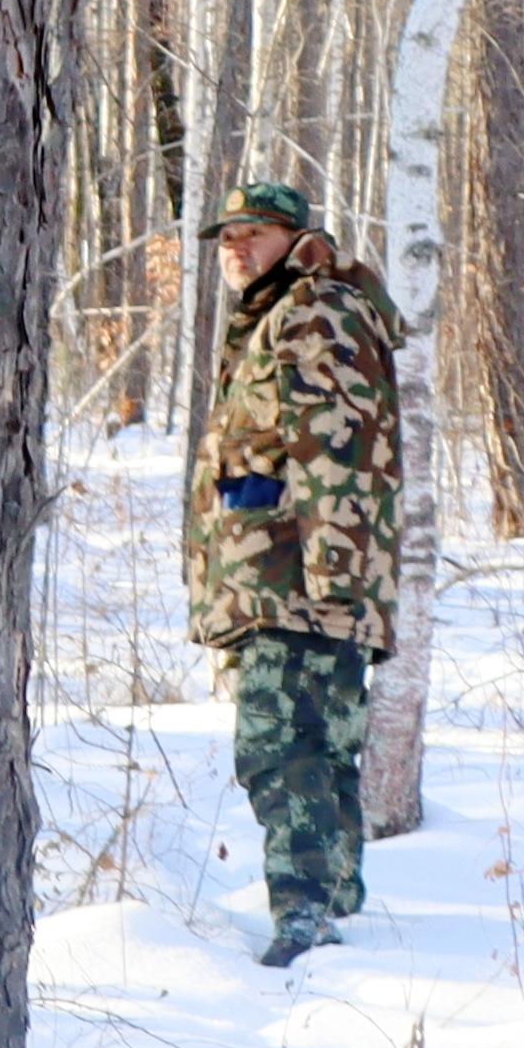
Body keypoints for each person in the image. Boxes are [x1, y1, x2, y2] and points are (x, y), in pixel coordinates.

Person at [188, 171, 406, 961]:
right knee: (318, 744)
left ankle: (305, 916)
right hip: (286, 582)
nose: (236, 247)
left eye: (254, 234)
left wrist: (332, 584)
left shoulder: (312, 312)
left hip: (301, 587)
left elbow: (336, 448)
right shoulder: (280, 314)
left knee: (282, 749)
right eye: (227, 236)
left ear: (295, 240)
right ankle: (332, 901)